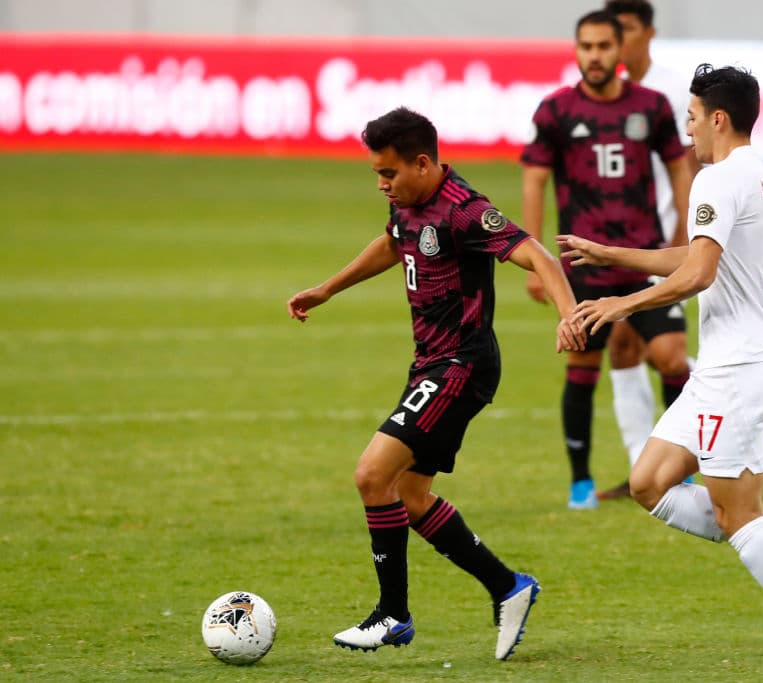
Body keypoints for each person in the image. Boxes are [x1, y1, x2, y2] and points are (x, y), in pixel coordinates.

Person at [560, 64, 763, 681]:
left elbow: (698, 274)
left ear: (718, 118)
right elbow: (698, 253)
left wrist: (622, 303)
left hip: (739, 367)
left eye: (692, 117)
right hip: (728, 365)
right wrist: (615, 256)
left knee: (736, 516)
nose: (687, 128)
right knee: (649, 482)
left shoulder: (717, 178)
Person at [287, 107, 585, 660]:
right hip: (431, 363)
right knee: (410, 494)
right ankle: (508, 587)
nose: (382, 184)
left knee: (372, 474)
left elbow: (538, 255)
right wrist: (328, 289)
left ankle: (393, 615)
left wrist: (568, 314)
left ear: (422, 163)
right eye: (377, 174)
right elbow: (393, 242)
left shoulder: (465, 212)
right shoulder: (407, 206)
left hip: (461, 364)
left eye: (389, 173)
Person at [521, 9, 695, 509]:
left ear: (620, 50)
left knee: (671, 357)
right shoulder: (554, 111)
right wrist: (535, 259)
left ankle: (679, 471)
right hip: (582, 267)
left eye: (603, 46)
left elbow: (680, 171)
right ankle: (581, 482)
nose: (594, 55)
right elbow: (534, 182)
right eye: (586, 46)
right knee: (582, 365)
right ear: (577, 50)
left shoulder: (653, 106)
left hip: (644, 260)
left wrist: (683, 237)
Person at [599, 0, 701, 501]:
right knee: (621, 345)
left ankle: (706, 430)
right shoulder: (606, 96)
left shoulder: (669, 88)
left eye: (628, 30)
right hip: (621, 243)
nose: (619, 39)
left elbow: (691, 162)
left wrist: (686, 232)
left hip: (664, 241)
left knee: (669, 354)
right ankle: (643, 464)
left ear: (648, 33)